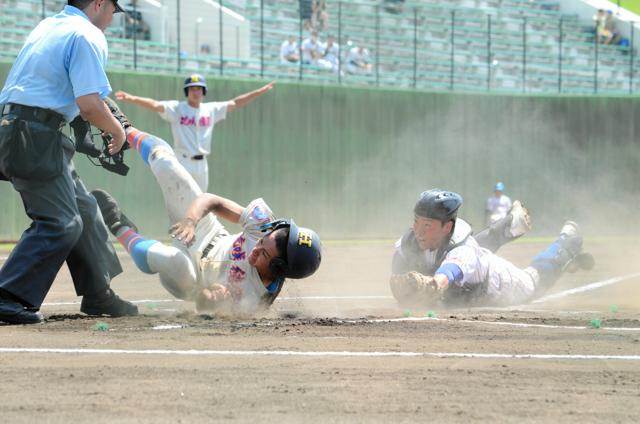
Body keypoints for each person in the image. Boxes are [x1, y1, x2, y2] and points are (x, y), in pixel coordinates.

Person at [91, 111, 322, 316]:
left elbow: (203, 306)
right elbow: (211, 201)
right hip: (208, 233)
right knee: (167, 164)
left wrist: (212, 296)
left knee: (176, 262)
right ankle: (124, 129)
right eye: (262, 242)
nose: (257, 249)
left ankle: (120, 227)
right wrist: (191, 221)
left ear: (279, 269)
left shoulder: (251, 302)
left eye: (263, 254)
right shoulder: (264, 226)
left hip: (191, 278)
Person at [0, 0, 138, 325]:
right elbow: (90, 103)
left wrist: (85, 122)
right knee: (62, 222)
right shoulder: (85, 34)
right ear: (99, 3)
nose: (110, 20)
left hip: (24, 129)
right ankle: (8, 296)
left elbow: (58, 93)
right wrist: (117, 130)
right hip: (33, 134)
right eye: (111, 12)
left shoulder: (48, 27)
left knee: (87, 211)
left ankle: (97, 293)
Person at [390, 189, 594, 308]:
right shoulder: (408, 244)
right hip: (475, 263)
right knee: (472, 249)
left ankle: (566, 243)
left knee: (534, 280)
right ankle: (512, 224)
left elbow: (446, 275)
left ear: (448, 227)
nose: (419, 232)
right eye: (417, 222)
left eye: (427, 225)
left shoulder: (463, 252)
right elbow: (398, 270)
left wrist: (432, 285)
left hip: (502, 282)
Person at [114, 76, 273, 191]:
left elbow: (235, 103)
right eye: (192, 88)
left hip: (201, 164)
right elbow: (156, 105)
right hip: (182, 160)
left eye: (198, 88)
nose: (195, 92)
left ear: (203, 91)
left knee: (201, 203)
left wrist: (259, 91)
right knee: (181, 199)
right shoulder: (177, 108)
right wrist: (131, 98)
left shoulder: (210, 110)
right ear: (187, 91)